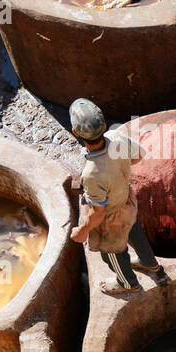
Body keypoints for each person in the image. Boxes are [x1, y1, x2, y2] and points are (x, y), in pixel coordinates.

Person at [68, 98, 166, 295]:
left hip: (110, 216)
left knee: (113, 250)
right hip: (127, 201)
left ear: (76, 132)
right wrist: (118, 170)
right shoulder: (116, 137)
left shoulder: (92, 174)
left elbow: (98, 212)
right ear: (104, 126)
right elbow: (138, 155)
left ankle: (127, 283)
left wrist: (83, 231)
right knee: (134, 230)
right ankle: (150, 264)